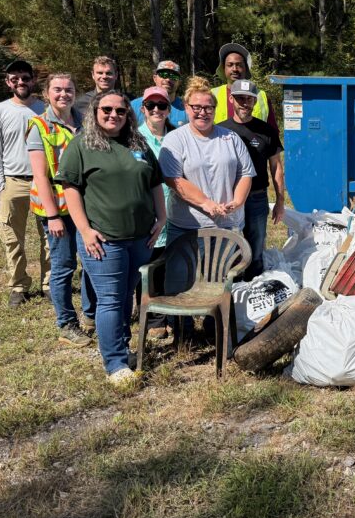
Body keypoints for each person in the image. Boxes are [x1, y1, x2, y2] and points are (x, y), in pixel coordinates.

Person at [57, 91, 166, 386]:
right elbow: (70, 189)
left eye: (120, 111)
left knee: (127, 297)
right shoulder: (82, 145)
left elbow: (155, 181)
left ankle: (122, 347)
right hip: (104, 240)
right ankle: (115, 364)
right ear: (95, 111)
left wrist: (162, 217)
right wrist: (84, 229)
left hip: (140, 238)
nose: (113, 115)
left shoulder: (137, 142)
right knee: (110, 300)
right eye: (107, 109)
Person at [25, 73, 93, 347]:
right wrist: (52, 216)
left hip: (86, 207)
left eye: (69, 89)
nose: (64, 94)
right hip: (58, 211)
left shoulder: (84, 122)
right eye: (57, 90)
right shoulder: (39, 126)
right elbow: (40, 176)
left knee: (91, 262)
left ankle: (91, 315)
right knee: (64, 266)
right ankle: (66, 324)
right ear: (46, 94)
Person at [158, 76, 255, 245]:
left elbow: (246, 172)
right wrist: (206, 202)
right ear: (187, 108)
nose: (202, 112)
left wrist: (237, 202)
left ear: (214, 109)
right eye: (196, 107)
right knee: (182, 271)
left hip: (228, 226)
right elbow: (172, 178)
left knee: (225, 272)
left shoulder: (231, 137)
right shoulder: (174, 139)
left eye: (208, 108)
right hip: (188, 227)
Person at [0, 59, 49, 307]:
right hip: (14, 181)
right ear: (8, 82)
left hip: (44, 181)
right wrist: (0, 184)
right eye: (15, 78)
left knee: (50, 236)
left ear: (33, 80)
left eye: (25, 77)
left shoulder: (46, 109)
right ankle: (19, 285)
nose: (21, 82)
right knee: (12, 237)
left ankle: (49, 284)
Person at [218, 79, 285, 280]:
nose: (244, 103)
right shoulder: (219, 131)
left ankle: (253, 290)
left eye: (249, 99)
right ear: (231, 99)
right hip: (228, 199)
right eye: (240, 98)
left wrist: (280, 202)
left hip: (257, 198)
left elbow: (276, 167)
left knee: (256, 248)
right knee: (230, 250)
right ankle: (232, 295)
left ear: (255, 101)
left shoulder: (267, 131)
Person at [136, 86, 177, 339]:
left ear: (168, 110)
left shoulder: (178, 135)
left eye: (161, 106)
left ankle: (172, 314)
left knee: (171, 267)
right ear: (143, 109)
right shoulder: (134, 137)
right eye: (151, 106)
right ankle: (153, 319)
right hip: (147, 212)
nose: (156, 110)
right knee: (149, 267)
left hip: (176, 212)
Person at [212, 43, 276, 129]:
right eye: (230, 65)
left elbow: (272, 131)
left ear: (246, 68)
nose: (235, 69)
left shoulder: (261, 96)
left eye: (239, 65)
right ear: (224, 68)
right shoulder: (211, 95)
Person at [131, 60, 188, 128]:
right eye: (163, 74)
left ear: (179, 81)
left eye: (173, 76)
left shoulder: (187, 109)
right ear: (155, 78)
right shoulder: (134, 106)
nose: (168, 80)